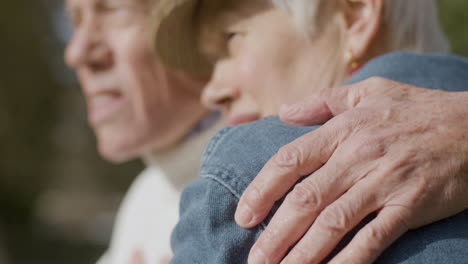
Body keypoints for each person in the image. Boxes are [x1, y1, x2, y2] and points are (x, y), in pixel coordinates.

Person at [153, 0, 468, 263]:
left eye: (231, 37)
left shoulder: (250, 176)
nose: (212, 92)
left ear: (356, 15)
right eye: (211, 62)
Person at [63, 0, 222, 263]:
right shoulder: (146, 198)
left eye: (115, 9)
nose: (76, 52)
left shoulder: (274, 197)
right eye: (76, 20)